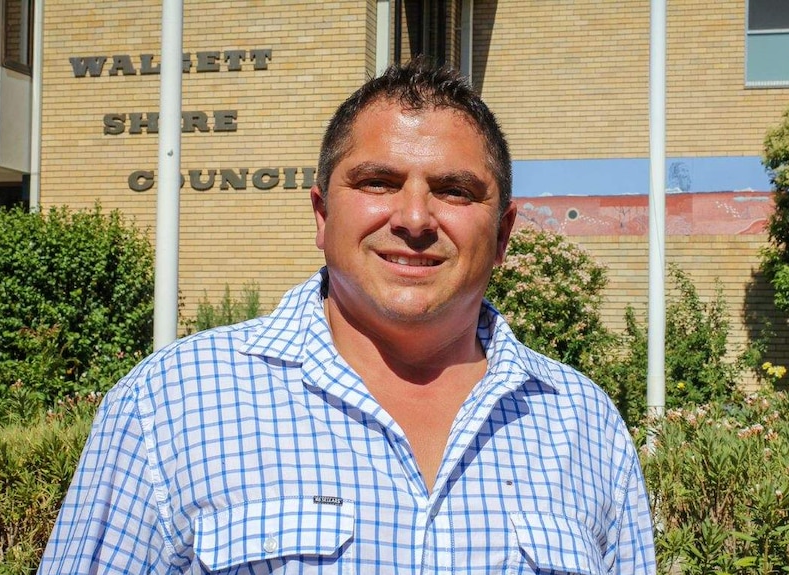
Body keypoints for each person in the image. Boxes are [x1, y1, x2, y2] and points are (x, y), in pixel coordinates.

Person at [38, 59, 656, 574]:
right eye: (378, 182)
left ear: (502, 235)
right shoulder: (169, 406)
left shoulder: (586, 427)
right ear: (321, 215)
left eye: (454, 191)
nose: (415, 219)